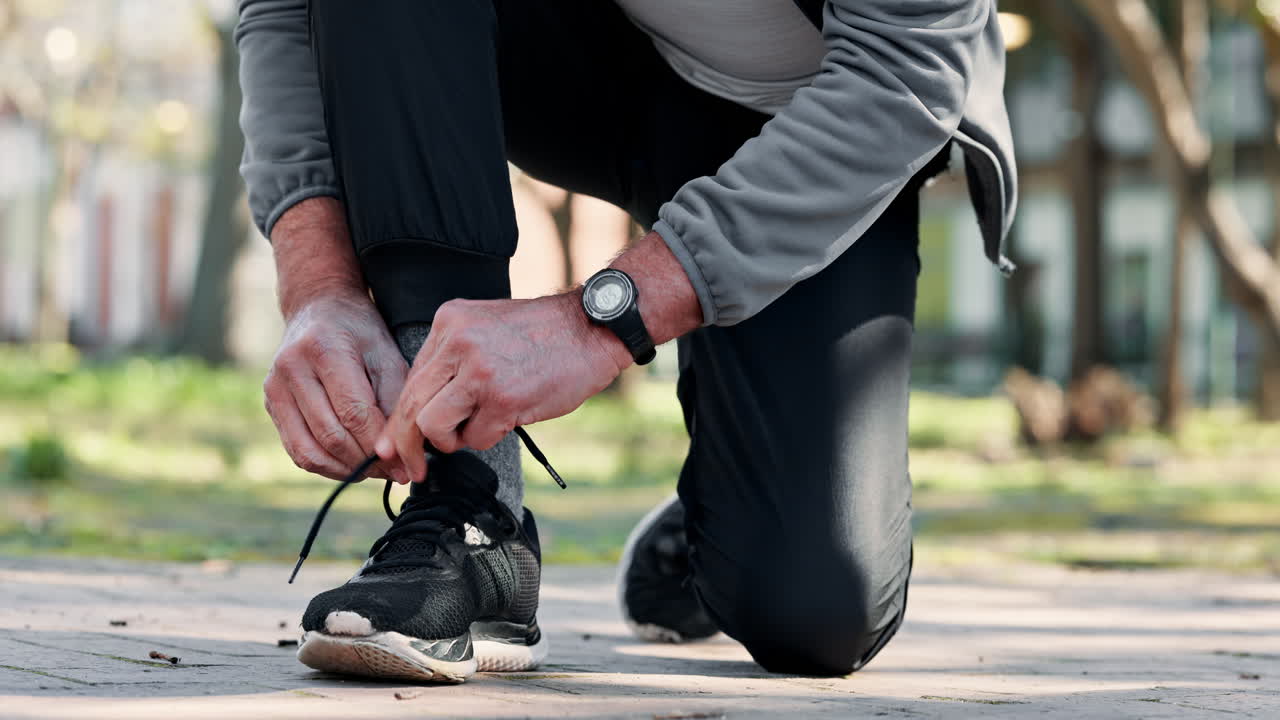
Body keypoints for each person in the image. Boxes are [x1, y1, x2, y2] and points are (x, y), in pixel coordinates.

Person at [235, 0, 1016, 683]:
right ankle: (469, 512)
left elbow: (905, 68)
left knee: (816, 611)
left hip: (810, 112)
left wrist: (601, 319)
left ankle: (727, 494)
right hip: (573, 59)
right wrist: (321, 288)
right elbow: (283, 8)